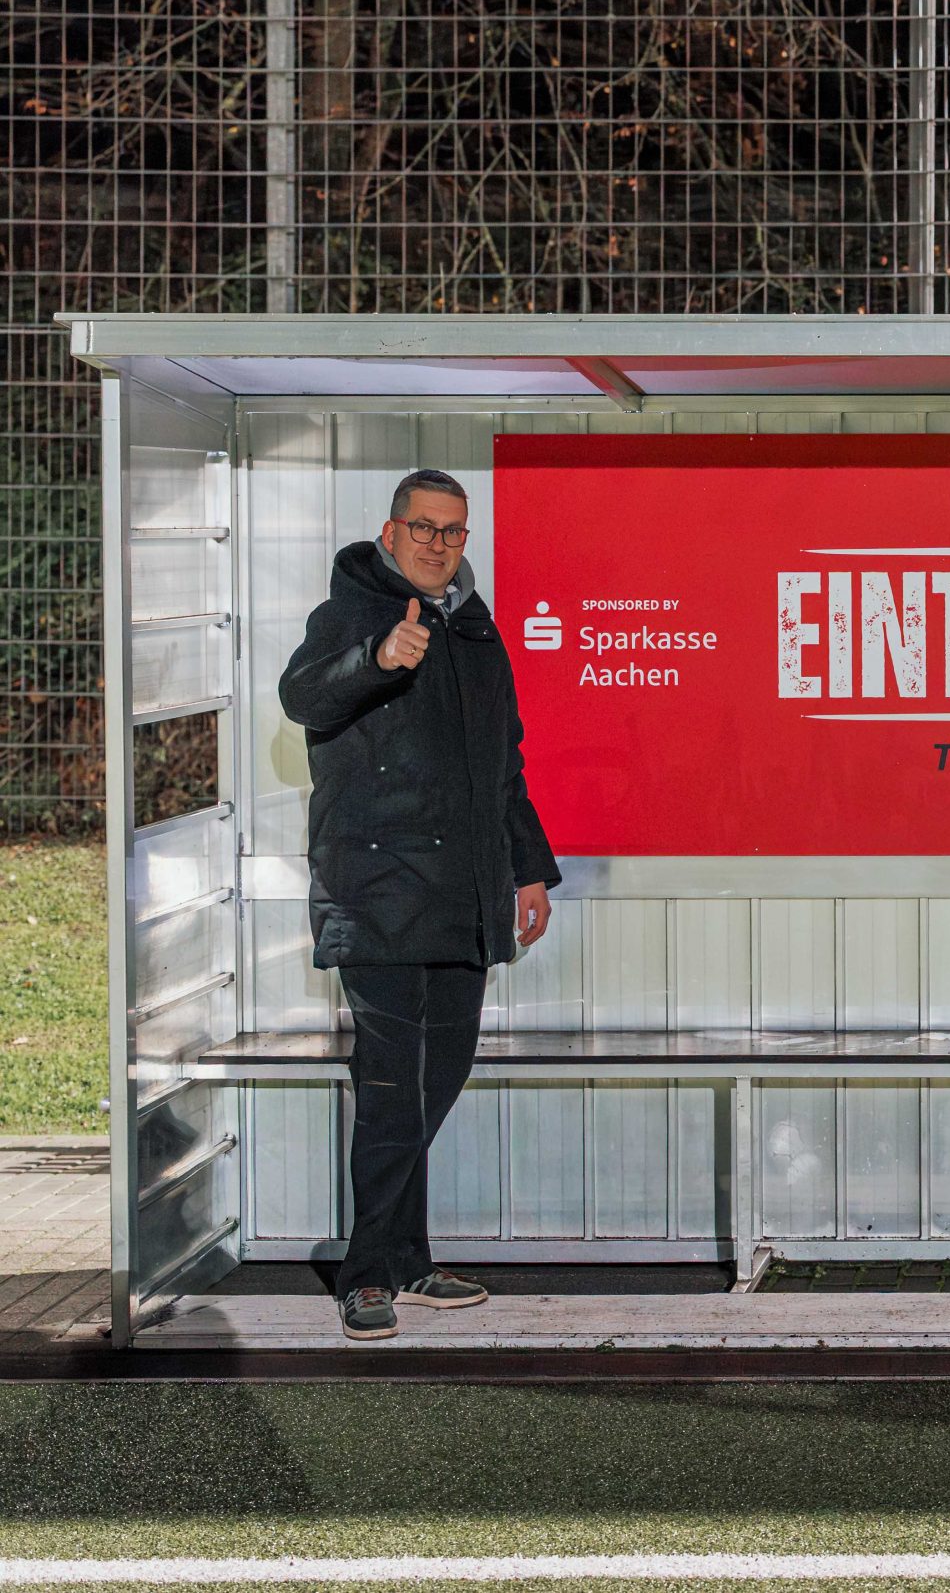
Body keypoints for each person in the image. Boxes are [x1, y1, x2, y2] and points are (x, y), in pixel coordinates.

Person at [280, 469, 559, 1341]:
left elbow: (503, 760)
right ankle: (368, 1272)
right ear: (391, 531)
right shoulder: (353, 615)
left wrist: (527, 868)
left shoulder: (474, 626)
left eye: (454, 530)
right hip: (378, 895)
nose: (440, 544)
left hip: (464, 896)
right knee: (393, 1087)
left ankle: (407, 1257)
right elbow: (302, 696)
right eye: (425, 527)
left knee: (443, 1070)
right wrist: (377, 659)